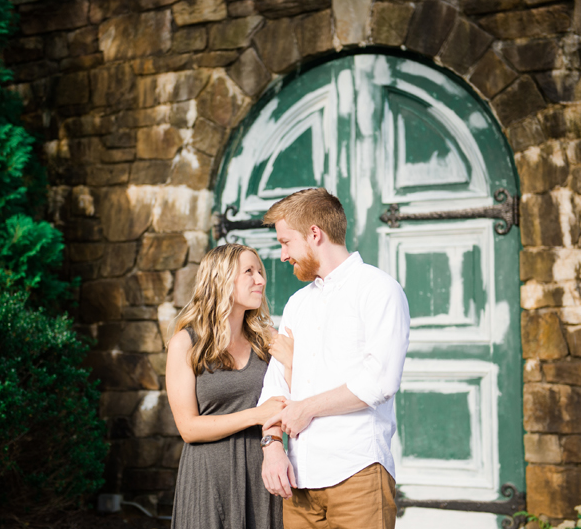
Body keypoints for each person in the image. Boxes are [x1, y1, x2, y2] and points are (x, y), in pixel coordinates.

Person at [257, 188, 411, 529]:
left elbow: (380, 380)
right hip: (297, 484)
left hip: (357, 476)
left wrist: (306, 407)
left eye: (286, 242)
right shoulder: (297, 303)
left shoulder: (378, 289)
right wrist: (272, 447)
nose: (282, 255)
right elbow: (276, 384)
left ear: (315, 234)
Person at [166, 243, 291, 529]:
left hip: (262, 475)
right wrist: (255, 415)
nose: (260, 279)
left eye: (260, 271)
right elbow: (188, 428)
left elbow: (294, 394)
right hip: (208, 478)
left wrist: (294, 362)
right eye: (249, 271)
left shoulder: (268, 339)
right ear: (220, 278)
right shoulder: (185, 344)